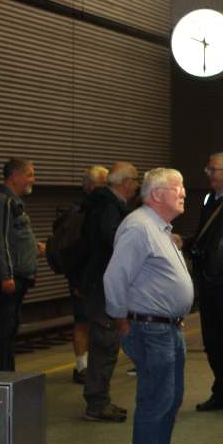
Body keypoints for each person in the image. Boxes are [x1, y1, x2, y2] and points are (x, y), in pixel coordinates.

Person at [103, 168, 194, 444]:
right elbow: (114, 278)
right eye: (177, 187)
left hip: (169, 327)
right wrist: (122, 321)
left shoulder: (159, 227)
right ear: (157, 195)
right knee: (155, 398)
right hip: (150, 328)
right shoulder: (139, 228)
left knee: (171, 397)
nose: (184, 193)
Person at [81, 162, 139, 422]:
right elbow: (113, 241)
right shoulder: (108, 207)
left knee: (104, 342)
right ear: (125, 183)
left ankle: (100, 398)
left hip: (97, 281)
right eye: (135, 180)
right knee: (105, 342)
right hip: (103, 284)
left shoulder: (101, 204)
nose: (137, 186)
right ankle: (97, 403)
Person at [0, 158, 42, 372]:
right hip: (10, 278)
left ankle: (8, 372)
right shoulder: (2, 202)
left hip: (17, 276)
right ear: (15, 176)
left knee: (10, 327)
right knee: (4, 328)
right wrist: (6, 276)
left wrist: (34, 248)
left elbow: (14, 236)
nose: (32, 179)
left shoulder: (13, 202)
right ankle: (0, 374)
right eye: (29, 174)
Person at [189, 152, 223, 414]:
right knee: (213, 340)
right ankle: (222, 391)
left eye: (213, 169)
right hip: (209, 283)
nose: (208, 173)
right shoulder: (210, 200)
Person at [70, 165, 107, 384]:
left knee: (91, 322)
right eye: (104, 184)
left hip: (91, 276)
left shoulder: (93, 210)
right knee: (83, 322)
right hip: (83, 277)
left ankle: (87, 366)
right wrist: (78, 280)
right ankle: (82, 367)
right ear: (92, 186)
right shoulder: (83, 212)